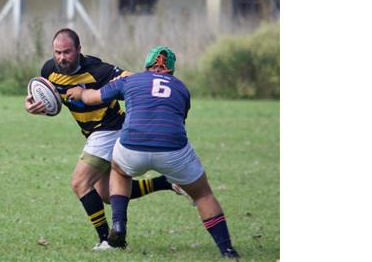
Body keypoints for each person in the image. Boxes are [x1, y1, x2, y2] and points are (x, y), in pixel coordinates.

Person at [66, 45, 240, 259]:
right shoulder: (181, 88)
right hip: (173, 149)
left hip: (132, 145)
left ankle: (119, 226)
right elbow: (179, 118)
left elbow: (93, 97)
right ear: (172, 70)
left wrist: (80, 92)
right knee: (203, 194)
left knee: (119, 172)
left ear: (147, 66)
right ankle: (227, 250)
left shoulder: (130, 80)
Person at [24, 29, 179, 250]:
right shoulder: (49, 70)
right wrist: (31, 105)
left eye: (67, 52)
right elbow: (42, 95)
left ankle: (109, 240)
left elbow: (132, 80)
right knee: (107, 194)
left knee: (80, 182)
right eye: (57, 52)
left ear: (78, 49)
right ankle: (165, 182)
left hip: (110, 128)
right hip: (93, 134)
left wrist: (161, 84)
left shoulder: (100, 71)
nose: (61, 58)